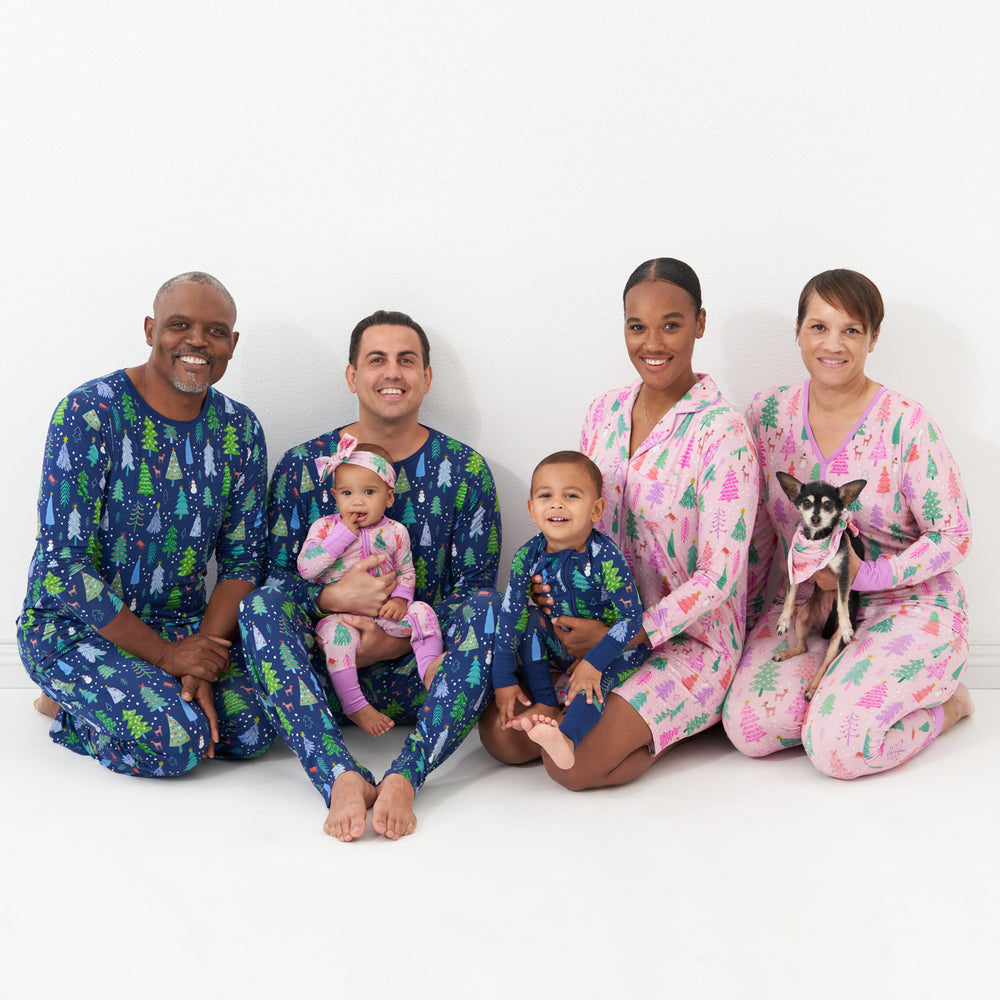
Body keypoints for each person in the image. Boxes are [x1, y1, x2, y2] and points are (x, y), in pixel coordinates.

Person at [479, 258, 758, 787]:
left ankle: (678, 722)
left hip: (686, 643)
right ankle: (584, 717)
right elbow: (578, 519)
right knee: (500, 737)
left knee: (574, 769)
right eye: (637, 327)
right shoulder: (603, 412)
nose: (652, 343)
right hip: (586, 631)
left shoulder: (722, 433)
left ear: (700, 323)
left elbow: (720, 576)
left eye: (671, 324)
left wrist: (628, 638)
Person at [239, 309, 501, 841]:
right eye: (376, 359)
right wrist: (329, 599)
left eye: (407, 361)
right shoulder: (303, 466)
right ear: (351, 376)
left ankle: (407, 774)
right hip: (322, 676)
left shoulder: (466, 471)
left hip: (422, 677)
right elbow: (277, 582)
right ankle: (340, 776)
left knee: (491, 609)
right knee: (258, 610)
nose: (392, 373)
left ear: (427, 377)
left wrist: (394, 638)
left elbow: (472, 591)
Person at [17, 272, 276, 776]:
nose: (198, 341)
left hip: (183, 626)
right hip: (74, 627)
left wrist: (198, 657)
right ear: (150, 328)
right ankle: (68, 710)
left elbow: (244, 559)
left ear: (232, 343)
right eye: (180, 325)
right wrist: (164, 656)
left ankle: (127, 700)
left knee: (255, 728)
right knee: (177, 745)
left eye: (216, 331)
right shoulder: (89, 412)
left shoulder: (241, 430)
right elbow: (61, 565)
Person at [723, 268, 974, 777]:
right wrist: (741, 624)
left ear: (873, 337)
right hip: (815, 605)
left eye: (851, 330)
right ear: (798, 331)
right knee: (750, 729)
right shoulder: (767, 414)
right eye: (818, 327)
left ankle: (951, 705)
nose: (832, 344)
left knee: (838, 749)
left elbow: (954, 533)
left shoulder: (906, 421)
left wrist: (869, 576)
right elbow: (759, 539)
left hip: (908, 603)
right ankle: (837, 698)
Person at [492, 450, 648, 769]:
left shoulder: (606, 556)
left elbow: (631, 619)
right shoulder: (527, 556)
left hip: (610, 649)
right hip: (558, 645)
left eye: (571, 495)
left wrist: (594, 661)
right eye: (545, 495)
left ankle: (567, 736)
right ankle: (546, 702)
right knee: (530, 619)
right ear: (531, 510)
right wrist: (502, 677)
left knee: (594, 682)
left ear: (596, 510)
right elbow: (511, 615)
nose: (557, 504)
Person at [298, 435, 443, 737]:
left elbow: (406, 570)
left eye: (369, 491)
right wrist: (340, 535)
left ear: (389, 498)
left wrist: (402, 600)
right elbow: (306, 567)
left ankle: (429, 668)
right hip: (342, 618)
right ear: (335, 496)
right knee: (337, 639)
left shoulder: (395, 531)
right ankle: (354, 703)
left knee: (424, 612)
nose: (357, 501)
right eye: (347, 492)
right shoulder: (324, 528)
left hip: (386, 615)